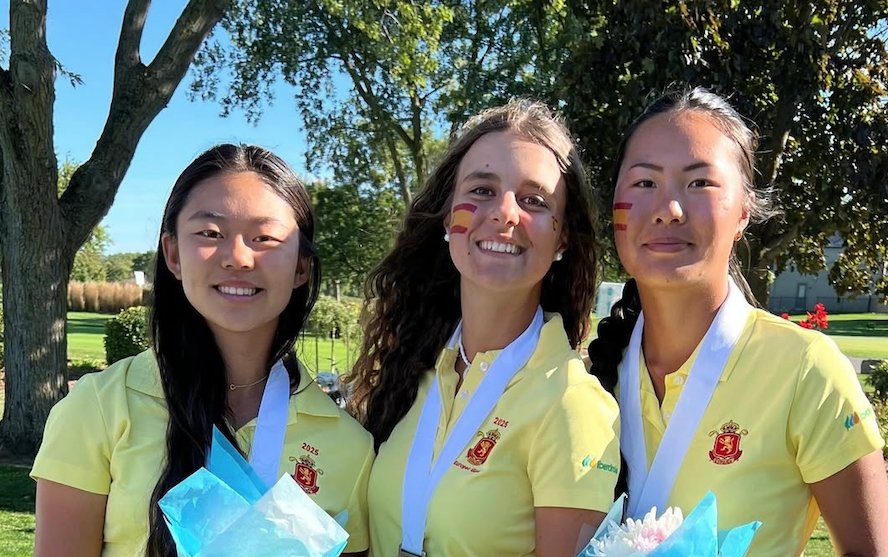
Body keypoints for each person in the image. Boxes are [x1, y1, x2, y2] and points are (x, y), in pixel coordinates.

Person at [31, 144, 374, 557]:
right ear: (173, 254)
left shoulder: (349, 445)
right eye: (211, 234)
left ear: (301, 266)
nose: (238, 258)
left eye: (265, 238)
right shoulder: (99, 407)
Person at [588, 88, 888, 557]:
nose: (669, 208)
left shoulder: (806, 370)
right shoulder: (588, 379)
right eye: (644, 183)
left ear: (744, 210)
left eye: (699, 183)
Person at [346, 99, 621, 557]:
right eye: (481, 191)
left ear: (562, 237)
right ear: (445, 217)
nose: (504, 213)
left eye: (534, 200)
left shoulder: (571, 404)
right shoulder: (413, 370)